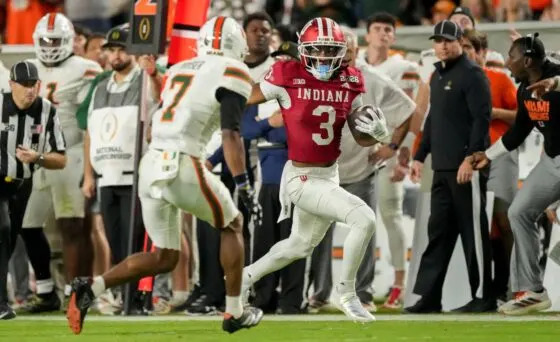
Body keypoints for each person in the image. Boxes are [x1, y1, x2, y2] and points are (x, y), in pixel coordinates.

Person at [66, 16, 264, 335]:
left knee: (164, 257)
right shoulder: (233, 70)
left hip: (152, 163)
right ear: (236, 44)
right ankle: (234, 312)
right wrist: (243, 184)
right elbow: (231, 133)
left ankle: (91, 287)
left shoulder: (180, 69)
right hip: (182, 162)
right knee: (233, 223)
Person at [241, 17, 391, 323]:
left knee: (299, 245)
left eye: (328, 49)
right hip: (300, 177)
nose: (322, 56)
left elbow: (361, 138)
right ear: (304, 49)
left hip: (329, 174)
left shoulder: (351, 79)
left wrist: (379, 133)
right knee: (364, 219)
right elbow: (242, 97)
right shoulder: (286, 72)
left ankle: (244, 277)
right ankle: (347, 293)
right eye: (317, 49)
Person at [407, 20, 495, 313]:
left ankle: (484, 297)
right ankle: (429, 298)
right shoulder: (436, 75)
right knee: (438, 234)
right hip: (442, 168)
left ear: (460, 41)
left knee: (474, 236)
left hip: (466, 168)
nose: (443, 45)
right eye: (438, 40)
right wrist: (420, 156)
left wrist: (470, 158)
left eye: (448, 40)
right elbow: (433, 120)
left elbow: (481, 120)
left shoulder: (473, 75)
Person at [20, 13, 102, 313]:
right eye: (45, 40)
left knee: (72, 225)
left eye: (55, 40)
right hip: (35, 156)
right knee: (27, 224)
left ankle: (76, 291)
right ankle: (45, 290)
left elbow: (90, 115)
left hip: (72, 152)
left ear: (68, 41)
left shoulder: (86, 68)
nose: (50, 46)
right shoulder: (28, 67)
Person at [473, 33, 560, 315]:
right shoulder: (524, 89)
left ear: (527, 59)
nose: (507, 61)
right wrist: (486, 155)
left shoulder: (555, 74)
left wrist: (557, 82)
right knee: (518, 212)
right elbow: (518, 132)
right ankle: (533, 290)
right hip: (551, 160)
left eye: (511, 56)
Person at [361, 12, 421, 309]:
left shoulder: (404, 67)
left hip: (388, 151)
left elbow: (412, 113)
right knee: (356, 222)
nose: (383, 33)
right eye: (377, 28)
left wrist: (402, 154)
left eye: (388, 29)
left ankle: (399, 282)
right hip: (358, 154)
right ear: (367, 34)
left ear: (393, 37)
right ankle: (357, 287)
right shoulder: (355, 63)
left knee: (391, 215)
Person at [0, 61, 67, 319]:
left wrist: (37, 158)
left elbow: (60, 159)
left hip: (22, 184)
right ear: (11, 85)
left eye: (33, 85)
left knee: (8, 239)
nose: (29, 90)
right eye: (24, 85)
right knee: (2, 230)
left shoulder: (47, 110)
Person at [461, 29, 519, 303]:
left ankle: (507, 285)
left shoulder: (499, 79)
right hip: (469, 158)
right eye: (460, 47)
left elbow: (521, 118)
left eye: (469, 47)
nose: (464, 52)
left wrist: (494, 113)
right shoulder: (454, 80)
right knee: (480, 224)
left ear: (482, 52)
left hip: (500, 153)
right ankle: (484, 290)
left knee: (503, 219)